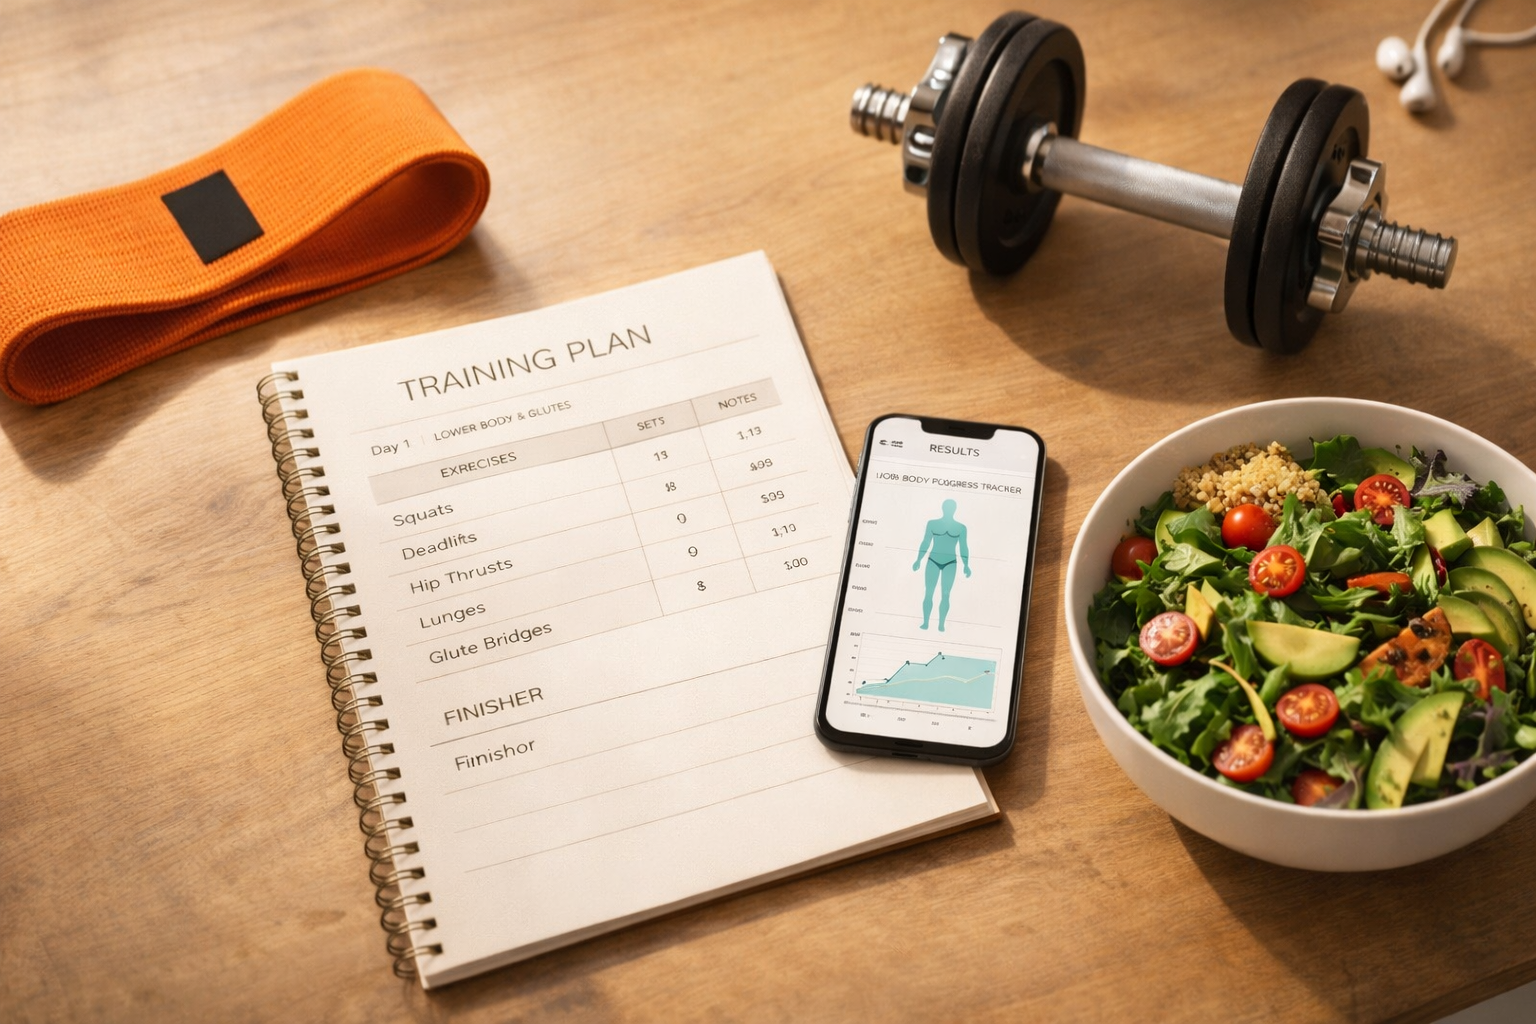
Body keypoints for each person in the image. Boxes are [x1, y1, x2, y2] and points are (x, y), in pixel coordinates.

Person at [912, 498, 970, 631]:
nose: (948, 509)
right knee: (929, 593)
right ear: (943, 508)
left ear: (954, 510)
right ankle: (926, 622)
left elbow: (963, 547)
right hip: (933, 560)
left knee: (946, 594)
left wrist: (966, 564)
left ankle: (941, 624)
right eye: (947, 507)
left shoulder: (961, 528)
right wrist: (918, 559)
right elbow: (925, 542)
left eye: (950, 507)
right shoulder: (932, 524)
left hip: (950, 563)